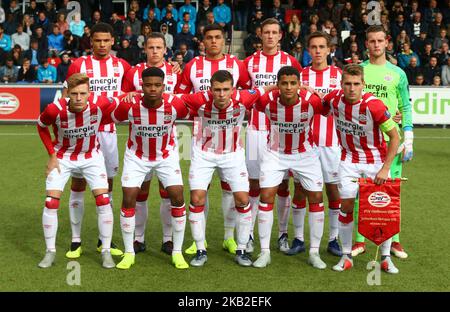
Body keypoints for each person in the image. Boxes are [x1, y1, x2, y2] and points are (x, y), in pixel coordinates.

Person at [176, 24, 251, 256]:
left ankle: (229, 237)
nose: (214, 41)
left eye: (218, 37)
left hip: (232, 142)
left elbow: (248, 93)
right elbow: (181, 96)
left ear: (224, 40)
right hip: (200, 139)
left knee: (231, 190)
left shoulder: (237, 65)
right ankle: (200, 241)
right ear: (203, 41)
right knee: (201, 191)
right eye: (209, 38)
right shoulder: (192, 65)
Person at [180, 70, 269, 267]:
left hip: (232, 154)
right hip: (204, 154)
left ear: (233, 89)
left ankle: (242, 248)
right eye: (217, 90)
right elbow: (169, 97)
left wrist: (304, 88)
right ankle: (200, 249)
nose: (221, 94)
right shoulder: (198, 99)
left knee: (243, 199)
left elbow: (266, 88)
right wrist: (134, 94)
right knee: (197, 198)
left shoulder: (243, 98)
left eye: (225, 90)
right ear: (210, 89)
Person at [321, 64, 400, 273]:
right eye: (347, 84)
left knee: (382, 209)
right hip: (348, 160)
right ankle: (346, 256)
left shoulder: (373, 106)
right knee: (345, 205)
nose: (352, 88)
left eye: (356, 84)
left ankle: (385, 257)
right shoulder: (334, 99)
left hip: (376, 162)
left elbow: (394, 137)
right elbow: (320, 106)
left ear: (363, 85)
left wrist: (385, 168)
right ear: (341, 84)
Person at [63, 23, 131, 259]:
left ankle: (106, 240)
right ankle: (75, 240)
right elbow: (66, 97)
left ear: (113, 41)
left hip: (108, 132)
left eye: (106, 41)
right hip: (82, 133)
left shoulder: (122, 66)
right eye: (97, 41)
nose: (102, 45)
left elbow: (135, 90)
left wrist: (172, 67)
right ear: (91, 41)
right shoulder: (78, 64)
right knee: (79, 185)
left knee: (107, 188)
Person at [36, 73, 118, 269]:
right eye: (74, 94)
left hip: (91, 156)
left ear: (90, 93)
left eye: (83, 93)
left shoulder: (101, 103)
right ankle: (50, 252)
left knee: (103, 199)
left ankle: (106, 250)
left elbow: (120, 103)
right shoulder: (54, 109)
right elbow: (41, 126)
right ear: (67, 93)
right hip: (63, 157)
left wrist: (131, 95)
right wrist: (51, 155)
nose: (79, 98)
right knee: (50, 201)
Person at [112, 67, 189, 270]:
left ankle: (177, 252)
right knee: (129, 196)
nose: (152, 89)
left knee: (177, 196)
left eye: (157, 85)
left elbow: (189, 112)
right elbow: (111, 117)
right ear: (141, 86)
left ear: (164, 86)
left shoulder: (175, 105)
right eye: (148, 85)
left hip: (166, 155)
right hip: (137, 157)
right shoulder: (129, 106)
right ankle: (129, 252)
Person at [251, 66, 326, 269]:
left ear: (299, 84)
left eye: (293, 83)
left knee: (317, 198)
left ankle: (314, 253)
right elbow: (245, 98)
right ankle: (264, 252)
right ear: (278, 84)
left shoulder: (312, 102)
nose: (288, 87)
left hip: (305, 154)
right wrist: (267, 88)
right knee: (266, 195)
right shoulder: (267, 101)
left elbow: (334, 106)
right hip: (275, 153)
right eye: (284, 83)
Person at [352, 25, 414, 259]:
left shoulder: (398, 73)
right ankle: (360, 240)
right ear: (366, 44)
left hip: (391, 141)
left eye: (380, 41)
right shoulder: (359, 71)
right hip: (364, 141)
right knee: (362, 191)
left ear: (387, 42)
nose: (376, 45)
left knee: (391, 191)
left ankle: (394, 240)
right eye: (371, 41)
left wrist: (408, 138)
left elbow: (406, 106)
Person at [243, 18, 302, 254]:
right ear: (260, 35)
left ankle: (282, 234)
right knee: (254, 184)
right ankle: (248, 234)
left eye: (274, 32)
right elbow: (244, 92)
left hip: (282, 130)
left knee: (282, 185)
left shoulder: (290, 61)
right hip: (256, 130)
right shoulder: (249, 62)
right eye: (266, 32)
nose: (269, 36)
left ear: (280, 36)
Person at [122, 32, 182, 255]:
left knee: (168, 192)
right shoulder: (133, 72)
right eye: (151, 47)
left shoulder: (175, 73)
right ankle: (138, 238)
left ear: (165, 49)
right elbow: (124, 96)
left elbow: (183, 98)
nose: (155, 51)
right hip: (140, 143)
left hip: (166, 142)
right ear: (145, 49)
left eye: (159, 47)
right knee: (140, 192)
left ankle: (168, 239)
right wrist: (126, 96)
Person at [285, 31, 343, 258]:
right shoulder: (300, 76)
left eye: (322, 47)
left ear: (329, 49)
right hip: (305, 144)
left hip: (331, 143)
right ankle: (299, 238)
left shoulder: (339, 75)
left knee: (333, 191)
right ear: (308, 50)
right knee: (300, 190)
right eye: (313, 47)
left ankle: (333, 238)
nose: (318, 51)